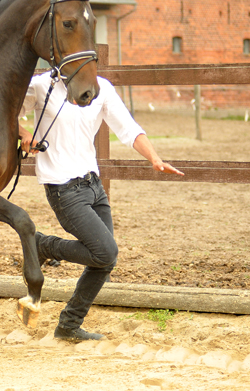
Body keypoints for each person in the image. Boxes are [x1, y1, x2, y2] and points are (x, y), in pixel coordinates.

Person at [18, 71, 183, 342]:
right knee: (105, 252)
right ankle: (41, 245)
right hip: (63, 189)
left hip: (94, 186)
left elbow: (128, 128)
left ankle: (69, 325)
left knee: (105, 260)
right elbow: (6, 112)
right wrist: (24, 132)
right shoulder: (40, 85)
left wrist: (154, 158)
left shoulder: (100, 87)